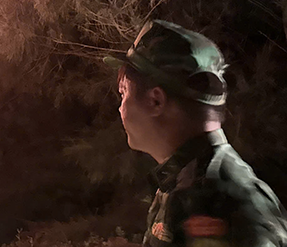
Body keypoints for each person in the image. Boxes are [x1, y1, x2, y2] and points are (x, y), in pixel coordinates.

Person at [106, 19, 287, 247]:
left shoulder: (225, 202)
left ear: (155, 101)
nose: (120, 107)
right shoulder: (186, 185)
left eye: (123, 93)